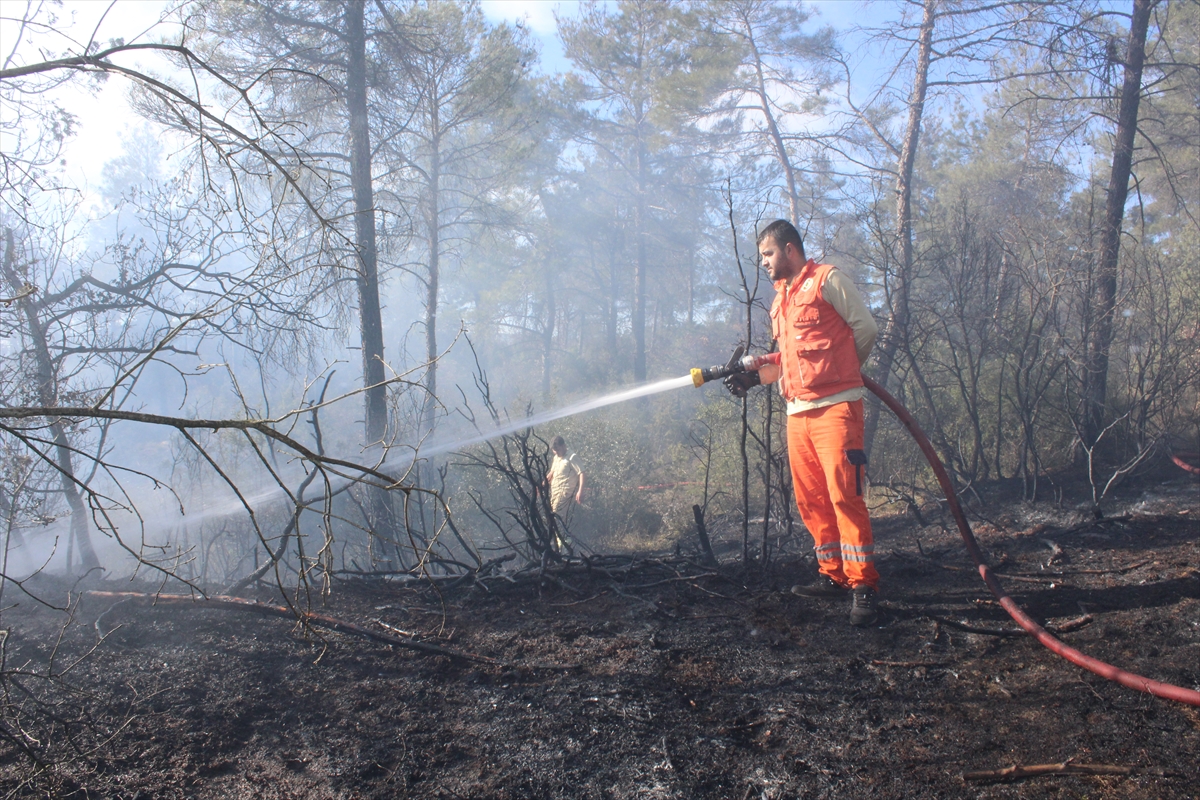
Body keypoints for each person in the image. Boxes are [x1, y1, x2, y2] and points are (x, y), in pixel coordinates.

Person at [725, 219, 880, 626]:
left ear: (790, 249)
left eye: (768, 254)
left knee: (845, 495)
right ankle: (833, 576)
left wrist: (843, 373)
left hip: (836, 409)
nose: (764, 262)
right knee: (812, 499)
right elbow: (792, 360)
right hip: (797, 413)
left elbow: (866, 328)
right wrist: (755, 375)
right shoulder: (781, 299)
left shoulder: (827, 280)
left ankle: (863, 586)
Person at [545, 435, 584, 551]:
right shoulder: (556, 458)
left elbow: (582, 473)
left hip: (565, 492)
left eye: (557, 449)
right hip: (554, 492)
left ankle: (563, 546)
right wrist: (541, 485)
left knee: (557, 516)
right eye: (554, 450)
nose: (556, 452)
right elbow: (551, 473)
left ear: (563, 446)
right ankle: (559, 544)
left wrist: (580, 490)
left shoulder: (572, 457)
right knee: (553, 517)